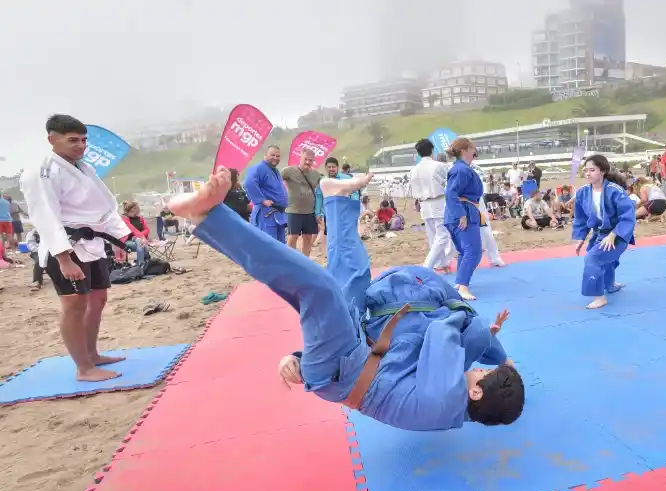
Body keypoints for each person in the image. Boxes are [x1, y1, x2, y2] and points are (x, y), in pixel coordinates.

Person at [167, 167, 525, 432]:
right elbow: (414, 346)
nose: (475, 368)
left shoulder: (442, 399)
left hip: (345, 367)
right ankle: (335, 198)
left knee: (318, 289)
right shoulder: (445, 394)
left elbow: (438, 336)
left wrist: (459, 314)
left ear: (476, 393)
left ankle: (208, 216)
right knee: (351, 273)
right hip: (356, 348)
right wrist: (299, 358)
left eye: (483, 373)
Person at [20, 114, 131, 381]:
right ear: (52, 140)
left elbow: (104, 207)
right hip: (66, 247)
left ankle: (92, 355)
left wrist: (120, 239)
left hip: (92, 242)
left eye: (83, 140)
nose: (81, 146)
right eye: (73, 140)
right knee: (74, 304)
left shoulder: (82, 167)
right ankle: (83, 368)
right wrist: (63, 258)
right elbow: (44, 215)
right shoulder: (41, 171)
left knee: (98, 299)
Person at [572, 155, 636, 310]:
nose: (587, 173)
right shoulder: (582, 193)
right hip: (599, 233)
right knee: (606, 260)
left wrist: (614, 235)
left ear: (603, 171)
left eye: (592, 170)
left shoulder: (615, 191)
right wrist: (581, 237)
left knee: (593, 258)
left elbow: (628, 215)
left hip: (619, 235)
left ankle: (599, 297)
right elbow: (580, 218)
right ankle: (610, 284)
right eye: (585, 170)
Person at [445, 138, 485, 301]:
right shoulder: (461, 170)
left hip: (459, 212)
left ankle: (459, 282)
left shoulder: (462, 169)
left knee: (464, 251)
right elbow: (451, 193)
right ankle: (463, 286)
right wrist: (461, 214)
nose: (474, 152)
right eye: (472, 149)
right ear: (464, 151)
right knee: (473, 251)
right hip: (464, 213)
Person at [410, 138, 453, 273]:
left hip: (424, 204)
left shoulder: (414, 170)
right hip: (438, 201)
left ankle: (441, 263)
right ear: (432, 150)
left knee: (433, 236)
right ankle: (427, 266)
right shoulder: (439, 166)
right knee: (442, 236)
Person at [282, 148, 321, 257]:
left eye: (311, 160)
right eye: (306, 159)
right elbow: (274, 181)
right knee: (292, 237)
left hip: (310, 212)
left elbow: (324, 187)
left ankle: (305, 262)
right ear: (300, 157)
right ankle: (291, 260)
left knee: (308, 238)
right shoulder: (288, 171)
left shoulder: (316, 174)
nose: (308, 162)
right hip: (293, 211)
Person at [243, 145, 288, 242]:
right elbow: (248, 183)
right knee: (268, 243)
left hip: (278, 215)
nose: (275, 158)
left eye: (278, 156)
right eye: (272, 155)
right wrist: (262, 200)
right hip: (266, 214)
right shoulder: (259, 168)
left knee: (279, 246)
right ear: (265, 155)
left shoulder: (275, 171)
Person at [121, 201, 150, 267]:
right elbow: (132, 230)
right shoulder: (124, 218)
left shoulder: (140, 218)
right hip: (127, 240)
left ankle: (139, 265)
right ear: (131, 210)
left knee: (139, 243)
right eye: (133, 212)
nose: (135, 213)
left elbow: (147, 229)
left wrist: (140, 236)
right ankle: (135, 264)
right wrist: (141, 237)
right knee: (133, 245)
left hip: (139, 238)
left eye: (136, 211)